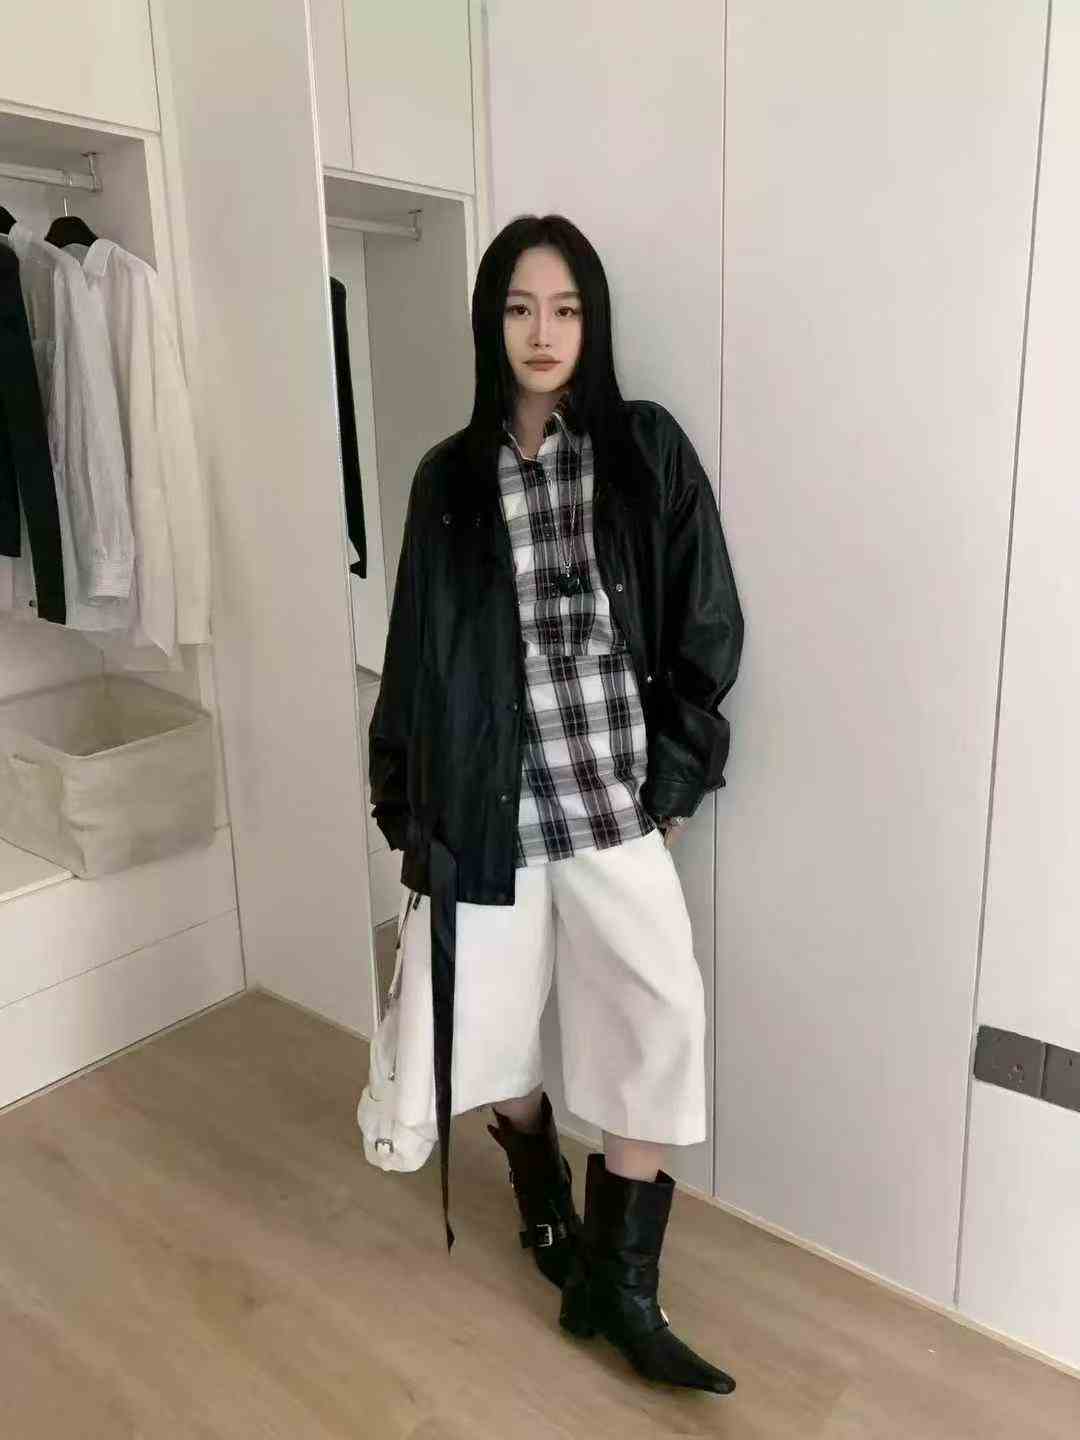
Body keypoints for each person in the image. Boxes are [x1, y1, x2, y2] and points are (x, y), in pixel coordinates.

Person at [367, 214, 743, 1395]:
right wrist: (401, 800)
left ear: (593, 321)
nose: (544, 331)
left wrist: (672, 785)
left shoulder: (643, 450)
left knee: (658, 1018)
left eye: (566, 308)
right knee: (483, 1036)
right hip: (491, 814)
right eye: (522, 307)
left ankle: (622, 1287)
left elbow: (707, 622)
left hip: (612, 808)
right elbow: (416, 651)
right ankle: (545, 1205)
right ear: (492, 321)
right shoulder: (448, 478)